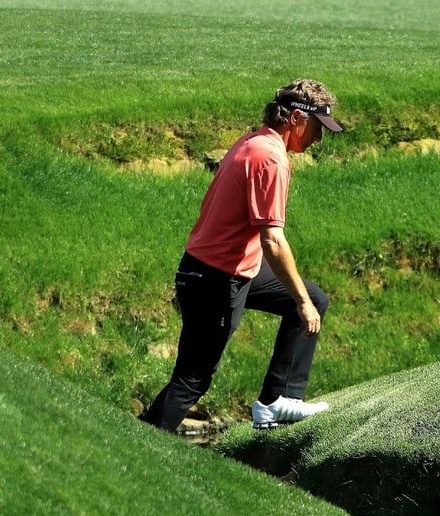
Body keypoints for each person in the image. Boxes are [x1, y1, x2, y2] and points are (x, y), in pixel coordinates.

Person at [141, 78, 343, 433]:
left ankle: (276, 402)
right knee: (192, 379)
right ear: (296, 118)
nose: (318, 139)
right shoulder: (271, 158)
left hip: (223, 270)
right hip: (217, 278)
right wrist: (300, 301)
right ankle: (141, 444)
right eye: (316, 128)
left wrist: (302, 300)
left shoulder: (256, 140)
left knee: (315, 298)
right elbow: (273, 241)